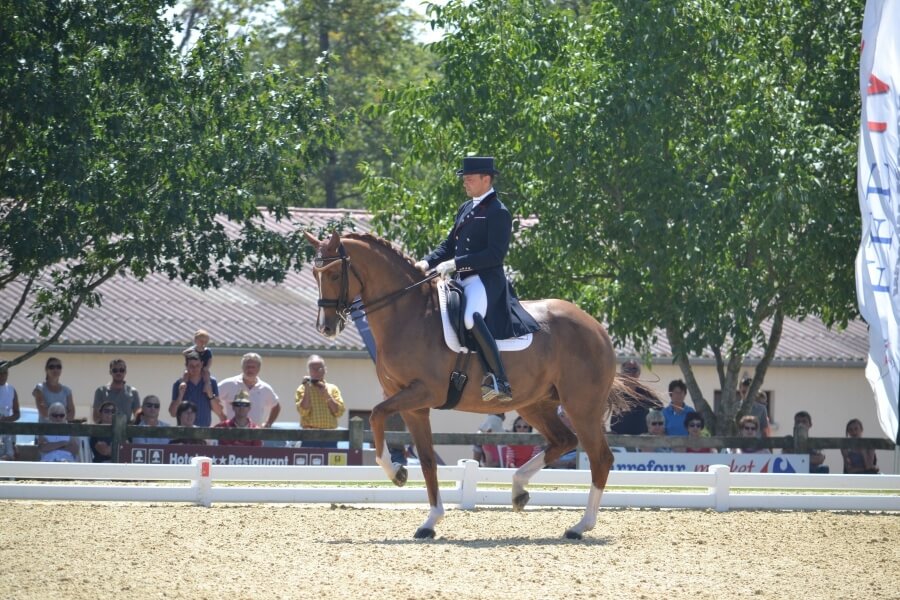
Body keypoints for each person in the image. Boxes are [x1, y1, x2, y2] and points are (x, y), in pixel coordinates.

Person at [414, 156, 538, 403]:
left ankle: (499, 379)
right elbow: (448, 245)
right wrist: (426, 262)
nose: (465, 183)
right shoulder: (466, 208)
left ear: (486, 179)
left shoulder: (498, 212)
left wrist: (456, 264)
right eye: (465, 179)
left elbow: (494, 255)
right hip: (461, 279)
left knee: (471, 317)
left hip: (485, 280)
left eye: (469, 179)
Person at [217, 353, 281, 428]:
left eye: (253, 367)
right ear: (242, 367)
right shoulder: (229, 384)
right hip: (231, 431)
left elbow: (276, 406)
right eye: (247, 367)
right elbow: (212, 398)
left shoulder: (265, 388)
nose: (250, 369)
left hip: (255, 433)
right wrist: (222, 416)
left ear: (259, 368)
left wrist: (268, 423)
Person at [294, 355, 345, 447]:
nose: (317, 371)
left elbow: (339, 412)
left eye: (320, 368)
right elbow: (303, 411)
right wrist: (307, 388)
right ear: (308, 371)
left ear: (325, 370)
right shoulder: (302, 388)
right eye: (313, 369)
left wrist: (326, 394)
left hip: (330, 435)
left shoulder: (332, 388)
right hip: (310, 435)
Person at [610, 360, 662, 444]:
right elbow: (599, 410)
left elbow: (660, 408)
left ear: (639, 373)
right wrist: (603, 429)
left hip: (642, 441)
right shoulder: (615, 392)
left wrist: (654, 429)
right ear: (622, 374)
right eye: (628, 370)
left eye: (634, 369)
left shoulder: (646, 393)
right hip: (619, 440)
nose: (631, 372)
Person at [169, 351, 223, 427]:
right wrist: (180, 395)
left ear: (202, 364)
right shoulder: (178, 384)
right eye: (191, 366)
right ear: (186, 366)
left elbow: (219, 411)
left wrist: (210, 394)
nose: (195, 369)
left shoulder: (211, 382)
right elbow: (173, 413)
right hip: (185, 430)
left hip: (204, 430)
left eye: (197, 365)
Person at [92, 358, 141, 423]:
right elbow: (96, 417)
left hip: (126, 428)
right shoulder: (100, 391)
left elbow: (137, 416)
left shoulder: (133, 392)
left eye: (121, 370)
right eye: (115, 370)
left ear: (125, 372)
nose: (118, 373)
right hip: (106, 428)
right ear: (110, 372)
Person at [33, 357, 75, 422]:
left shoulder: (67, 390)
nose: (55, 369)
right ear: (46, 370)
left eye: (58, 367)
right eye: (52, 367)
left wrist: (55, 416)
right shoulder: (40, 388)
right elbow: (43, 411)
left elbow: (71, 415)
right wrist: (61, 415)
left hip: (62, 428)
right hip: (44, 427)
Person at [182, 329, 214, 394]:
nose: (203, 343)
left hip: (204, 368)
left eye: (205, 342)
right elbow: (184, 353)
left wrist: (207, 367)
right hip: (193, 369)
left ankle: (206, 385)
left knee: (207, 374)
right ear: (195, 340)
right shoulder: (192, 349)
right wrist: (189, 352)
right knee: (186, 373)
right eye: (201, 341)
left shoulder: (207, 351)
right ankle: (184, 384)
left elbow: (210, 360)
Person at [0, 361, 21, 459]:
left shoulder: (11, 389)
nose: (2, 376)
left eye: (5, 373)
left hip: (7, 430)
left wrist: (5, 419)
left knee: (8, 456)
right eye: (0, 373)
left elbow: (17, 414)